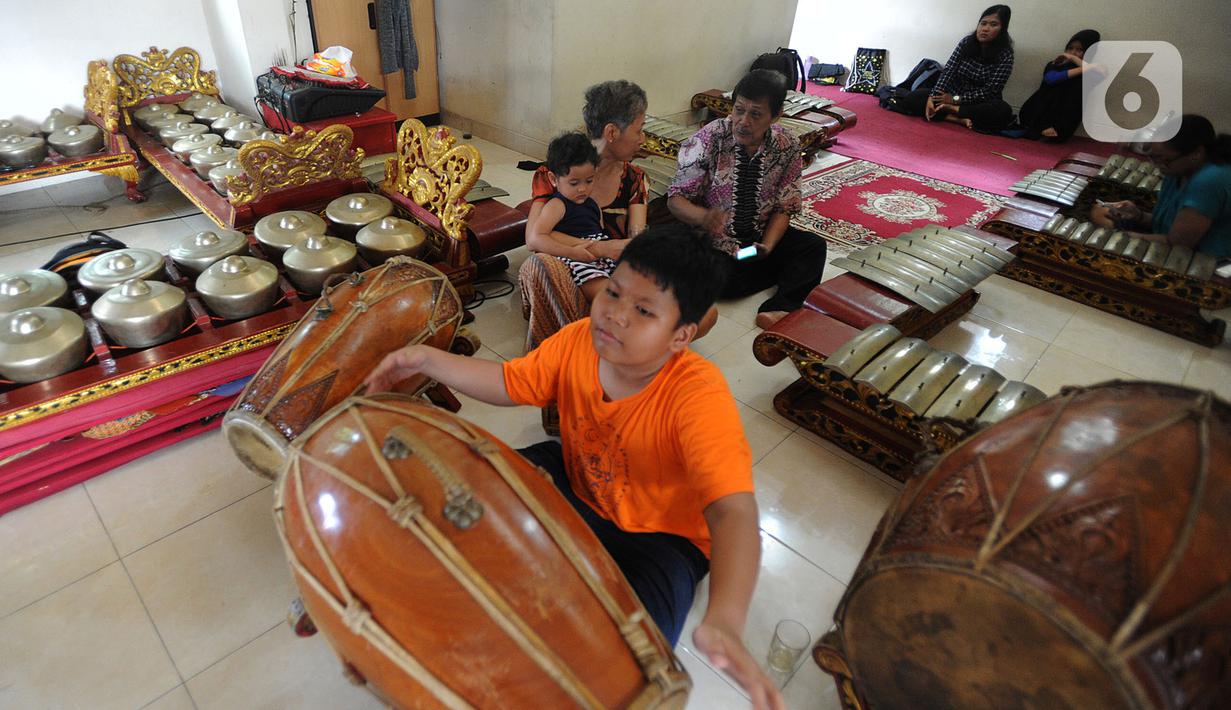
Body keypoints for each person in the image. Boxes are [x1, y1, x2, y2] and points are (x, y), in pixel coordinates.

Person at [367, 224, 784, 709]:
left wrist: (725, 620)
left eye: (643, 310)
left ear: (681, 336)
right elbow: (509, 382)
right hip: (577, 478)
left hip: (663, 541)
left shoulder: (697, 395)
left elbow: (732, 511)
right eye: (614, 292)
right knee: (461, 495)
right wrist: (426, 359)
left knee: (623, 667)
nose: (615, 314)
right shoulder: (578, 339)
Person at [667, 69, 826, 330]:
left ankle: (782, 307)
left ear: (776, 115)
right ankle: (767, 272)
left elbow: (785, 205)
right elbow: (676, 200)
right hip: (717, 244)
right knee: (718, 275)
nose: (743, 121)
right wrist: (704, 217)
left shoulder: (787, 145)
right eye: (739, 110)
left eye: (756, 114)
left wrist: (769, 244)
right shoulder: (711, 138)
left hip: (757, 242)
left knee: (813, 247)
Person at [521, 80, 651, 353]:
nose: (643, 139)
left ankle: (611, 335)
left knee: (701, 310)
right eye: (639, 130)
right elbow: (534, 238)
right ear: (611, 132)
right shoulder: (556, 173)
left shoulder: (635, 179)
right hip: (568, 271)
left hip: (610, 271)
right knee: (539, 266)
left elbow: (636, 237)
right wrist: (598, 248)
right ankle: (578, 349)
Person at [1092, 115, 1231, 258]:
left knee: (1100, 229)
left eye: (1164, 159)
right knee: (1100, 211)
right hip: (1170, 241)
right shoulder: (1177, 170)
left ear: (1196, 153)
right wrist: (1138, 215)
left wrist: (1113, 234)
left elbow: (1177, 245)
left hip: (1202, 261)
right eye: (1154, 158)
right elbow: (1167, 225)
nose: (1158, 166)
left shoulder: (1210, 181)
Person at [898, 5, 1015, 131]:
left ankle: (952, 110)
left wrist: (955, 101)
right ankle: (956, 118)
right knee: (913, 98)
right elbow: (949, 70)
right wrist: (933, 96)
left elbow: (990, 91)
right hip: (950, 94)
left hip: (977, 102)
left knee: (1003, 111)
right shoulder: (966, 43)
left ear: (1003, 29)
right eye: (983, 23)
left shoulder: (1005, 54)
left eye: (993, 25)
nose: (985, 29)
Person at [531, 132, 617, 300]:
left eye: (589, 181)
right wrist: (571, 252)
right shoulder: (557, 205)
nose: (582, 189)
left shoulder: (593, 204)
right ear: (553, 179)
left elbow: (600, 232)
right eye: (574, 183)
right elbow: (538, 237)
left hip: (600, 256)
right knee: (606, 293)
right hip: (575, 260)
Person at [1017, 29, 1104, 141]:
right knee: (1057, 85)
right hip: (1037, 112)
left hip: (1064, 122)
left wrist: (1077, 61)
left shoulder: (1095, 71)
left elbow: (1100, 74)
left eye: (1079, 50)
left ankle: (1054, 128)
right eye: (1070, 48)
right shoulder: (1056, 64)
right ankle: (1041, 124)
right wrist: (1086, 68)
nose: (1072, 53)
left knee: (1079, 85)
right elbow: (1051, 79)